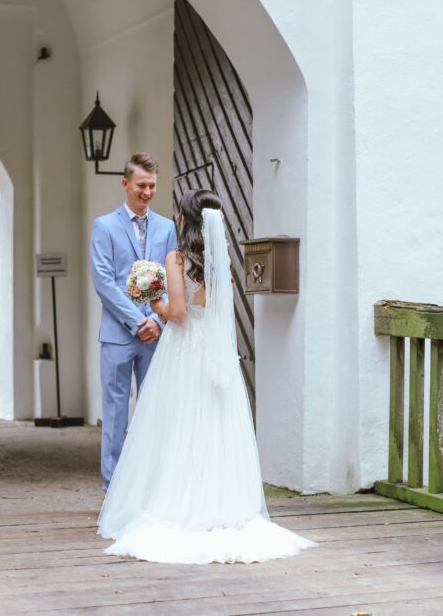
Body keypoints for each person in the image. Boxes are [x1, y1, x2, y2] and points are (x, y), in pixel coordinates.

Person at [97, 188, 315, 564]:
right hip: (214, 352)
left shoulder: (176, 258)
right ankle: (220, 504)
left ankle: (178, 503)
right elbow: (212, 310)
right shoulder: (221, 260)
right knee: (214, 426)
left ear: (185, 219)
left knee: (178, 425)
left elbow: (178, 312)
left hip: (183, 352)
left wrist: (154, 303)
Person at [90, 152, 178, 491]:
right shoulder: (104, 226)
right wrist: (138, 321)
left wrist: (159, 320)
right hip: (118, 334)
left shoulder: (167, 228)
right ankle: (114, 485)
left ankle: (151, 482)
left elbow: (173, 279)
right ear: (125, 183)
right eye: (141, 185)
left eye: (152, 186)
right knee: (115, 411)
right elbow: (104, 281)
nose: (147, 192)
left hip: (157, 334)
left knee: (154, 408)